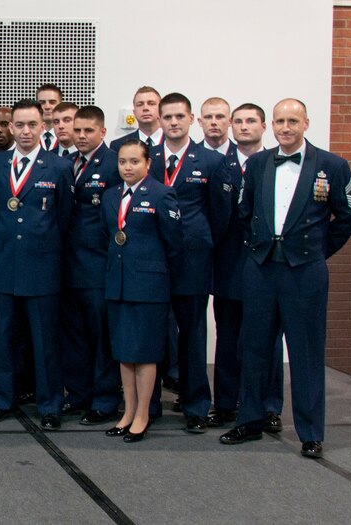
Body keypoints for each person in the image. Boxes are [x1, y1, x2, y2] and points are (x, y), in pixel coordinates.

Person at [220, 98, 351, 459]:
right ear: (273, 126)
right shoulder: (260, 163)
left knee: (306, 353)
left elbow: (348, 215)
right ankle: (250, 420)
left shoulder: (332, 165)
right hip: (261, 270)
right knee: (253, 348)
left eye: (292, 121)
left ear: (306, 124)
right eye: (280, 121)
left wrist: (317, 251)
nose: (285, 127)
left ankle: (311, 432)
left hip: (305, 273)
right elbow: (244, 210)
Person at [0, 99, 72, 429]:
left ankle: (50, 405)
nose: (24, 131)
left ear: (42, 127)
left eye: (32, 125)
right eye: (18, 125)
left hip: (42, 268)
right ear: (10, 128)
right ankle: (2, 399)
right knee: (4, 338)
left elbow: (64, 219)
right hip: (5, 265)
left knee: (44, 341)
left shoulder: (58, 167)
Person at [149, 93, 232, 433]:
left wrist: (201, 242)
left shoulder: (209, 161)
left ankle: (196, 405)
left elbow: (221, 214)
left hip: (193, 262)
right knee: (152, 333)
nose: (173, 122)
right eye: (167, 116)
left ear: (191, 119)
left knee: (193, 335)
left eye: (179, 116)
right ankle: (149, 404)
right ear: (159, 119)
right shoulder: (147, 159)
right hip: (152, 260)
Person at [208, 103, 285, 429]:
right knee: (227, 338)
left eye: (250, 121)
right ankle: (225, 403)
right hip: (228, 265)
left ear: (263, 126)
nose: (243, 126)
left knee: (267, 338)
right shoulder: (218, 166)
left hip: (266, 266)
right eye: (237, 121)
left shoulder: (276, 164)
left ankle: (268, 406)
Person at [103, 140, 184, 443]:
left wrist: (153, 270)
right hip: (118, 283)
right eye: (123, 162)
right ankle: (128, 411)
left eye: (134, 161)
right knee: (124, 352)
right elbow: (107, 237)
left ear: (148, 164)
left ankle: (143, 414)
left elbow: (174, 242)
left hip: (149, 285)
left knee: (145, 353)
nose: (127, 167)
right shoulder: (111, 196)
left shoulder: (162, 195)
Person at [60, 105, 122, 425]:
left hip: (98, 264)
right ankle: (79, 392)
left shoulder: (113, 165)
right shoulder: (68, 162)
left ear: (102, 132)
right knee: (74, 335)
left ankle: (105, 398)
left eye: (88, 131)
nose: (81, 136)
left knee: (101, 336)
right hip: (69, 265)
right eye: (77, 130)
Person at [110, 87, 162, 151]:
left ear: (161, 109)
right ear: (134, 112)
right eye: (140, 104)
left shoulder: (174, 141)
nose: (145, 108)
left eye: (151, 103)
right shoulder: (118, 145)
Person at [36, 83, 63, 152]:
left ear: (60, 104)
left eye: (52, 102)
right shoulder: (28, 136)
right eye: (42, 103)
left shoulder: (69, 136)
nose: (47, 107)